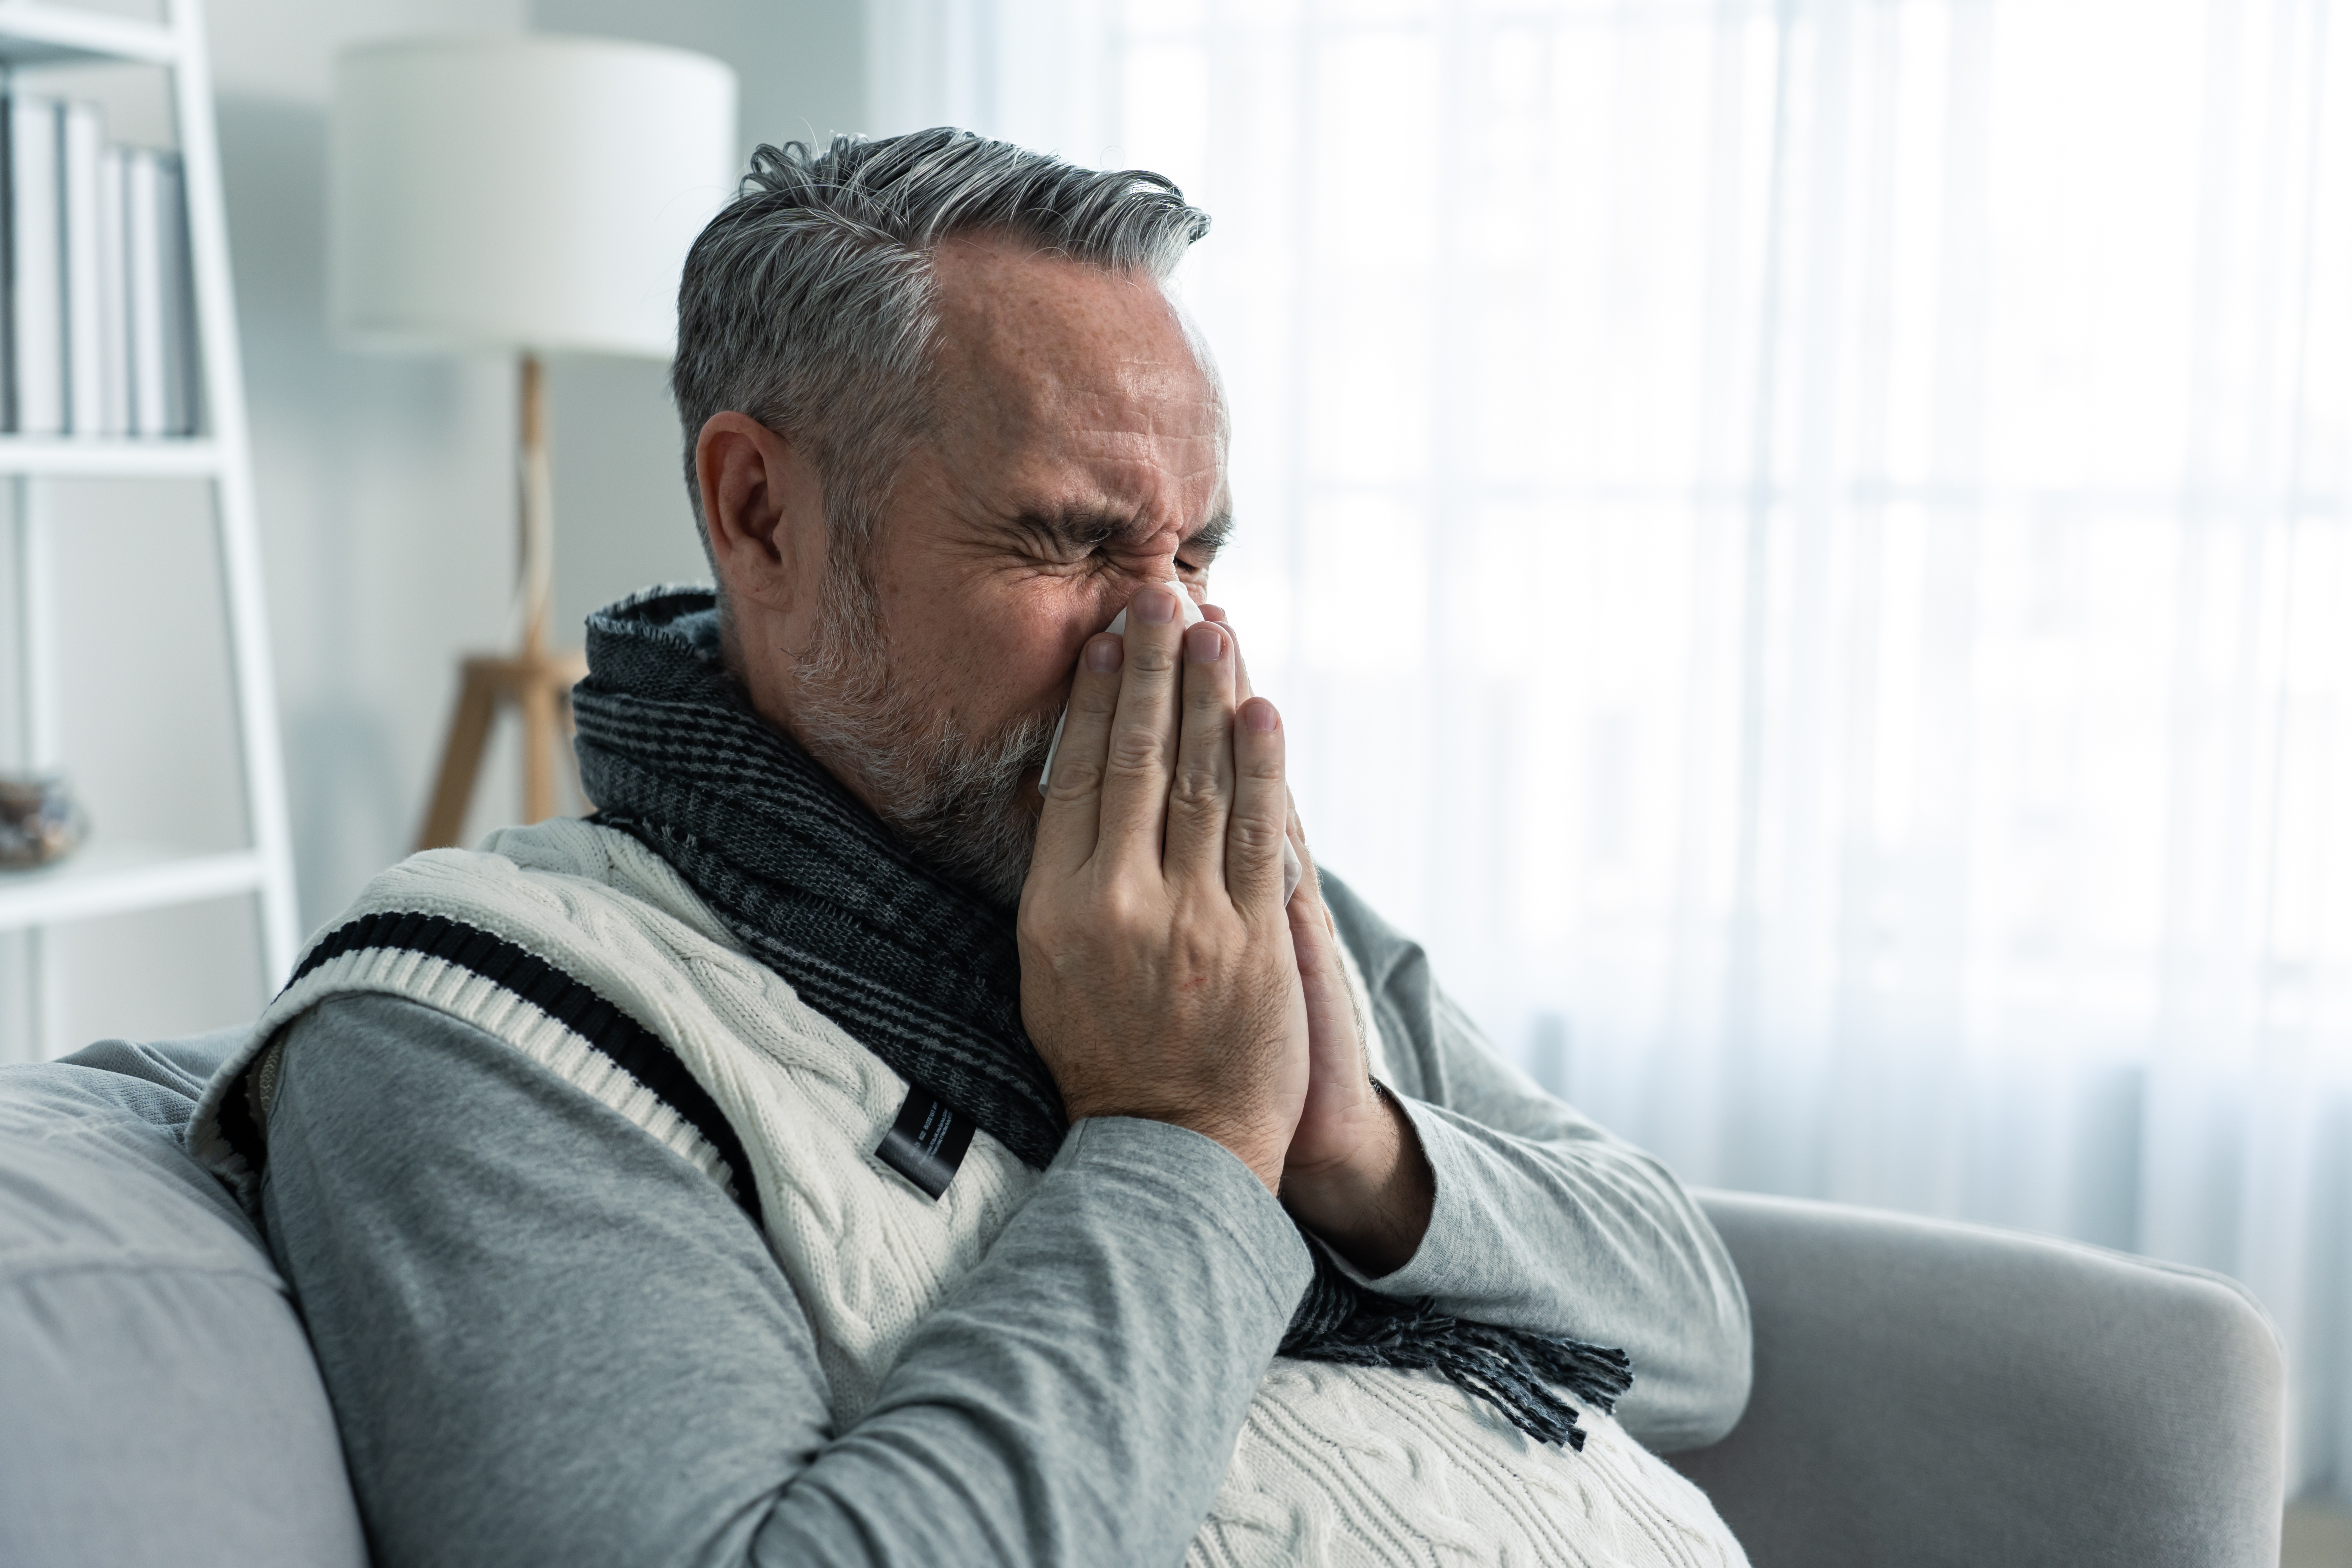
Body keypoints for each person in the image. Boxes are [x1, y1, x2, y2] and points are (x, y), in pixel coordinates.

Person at [193, 129, 1754, 1567]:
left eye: (1197, 551)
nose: (1179, 635)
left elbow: (1701, 1332)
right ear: (761, 517)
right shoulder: (483, 1032)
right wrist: (1190, 1139)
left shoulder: (1223, 911)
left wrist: (1355, 1147)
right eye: (1070, 541)